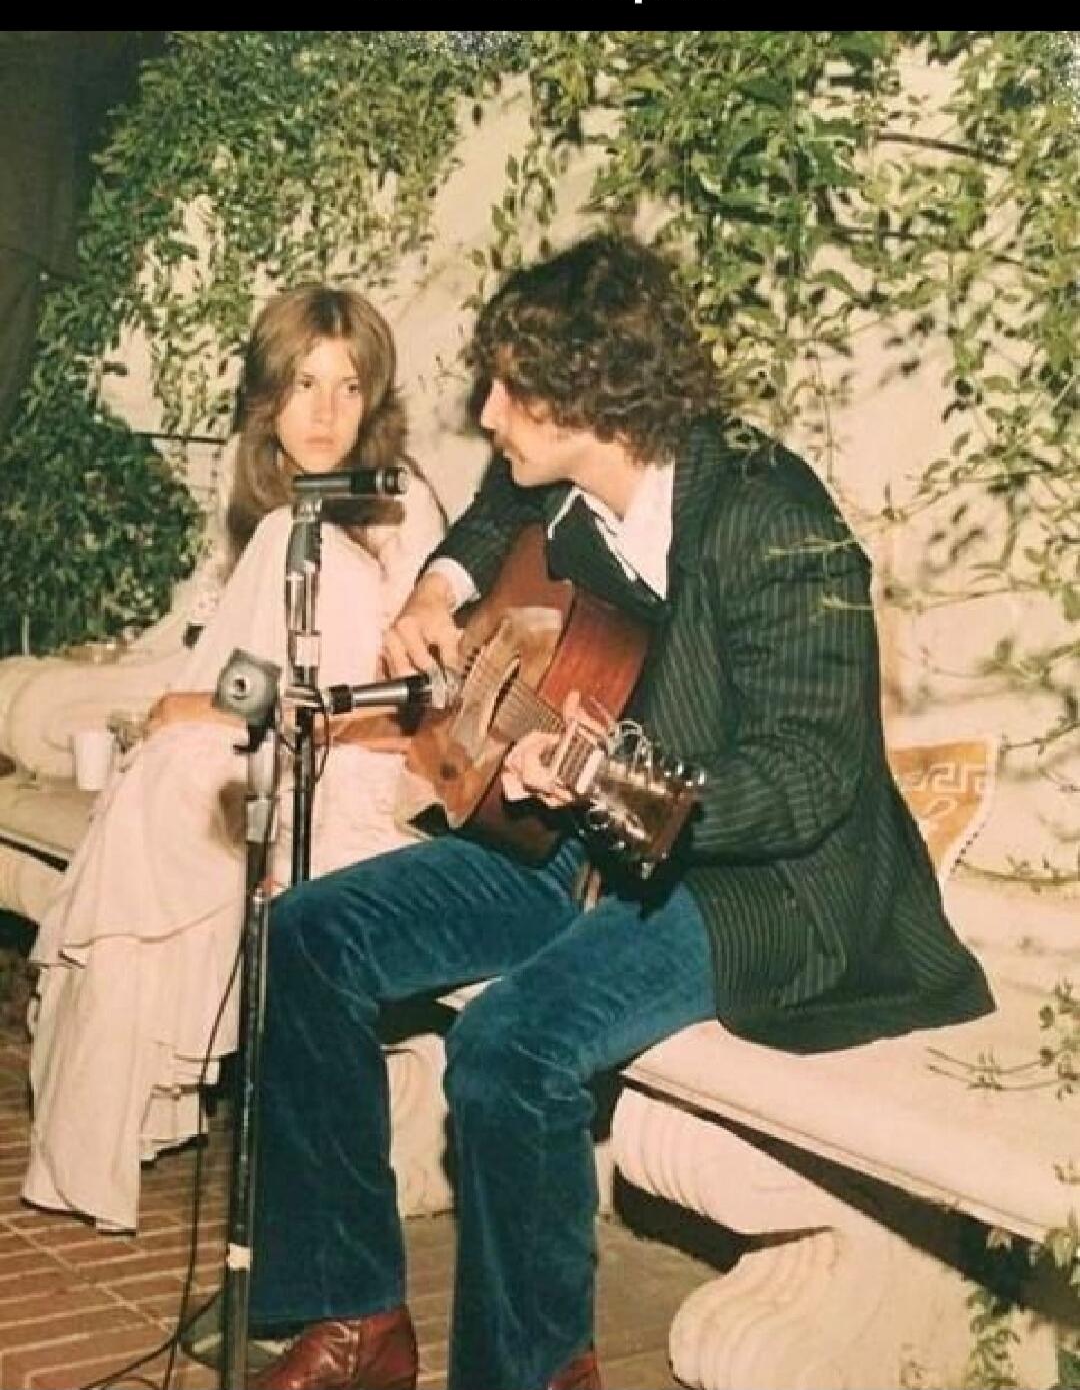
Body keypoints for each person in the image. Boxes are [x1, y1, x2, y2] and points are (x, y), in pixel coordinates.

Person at [241, 237, 994, 1390]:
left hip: (752, 880)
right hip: (578, 838)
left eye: (504, 389)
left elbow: (810, 777)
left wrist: (604, 781)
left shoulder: (770, 516)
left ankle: (537, 1372)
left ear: (583, 398)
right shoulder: (571, 476)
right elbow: (494, 505)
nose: (485, 413)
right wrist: (439, 586)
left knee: (509, 1047)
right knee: (310, 932)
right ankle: (356, 1317)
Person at [22, 283, 444, 1234]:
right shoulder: (282, 519)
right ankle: (103, 1124)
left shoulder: (396, 506)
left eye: (346, 387)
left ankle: (109, 1122)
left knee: (168, 780)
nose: (326, 412)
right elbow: (254, 665)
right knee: (161, 778)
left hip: (358, 764)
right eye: (303, 385)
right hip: (280, 743)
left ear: (374, 399)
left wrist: (193, 708)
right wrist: (189, 708)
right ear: (269, 401)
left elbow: (387, 695)